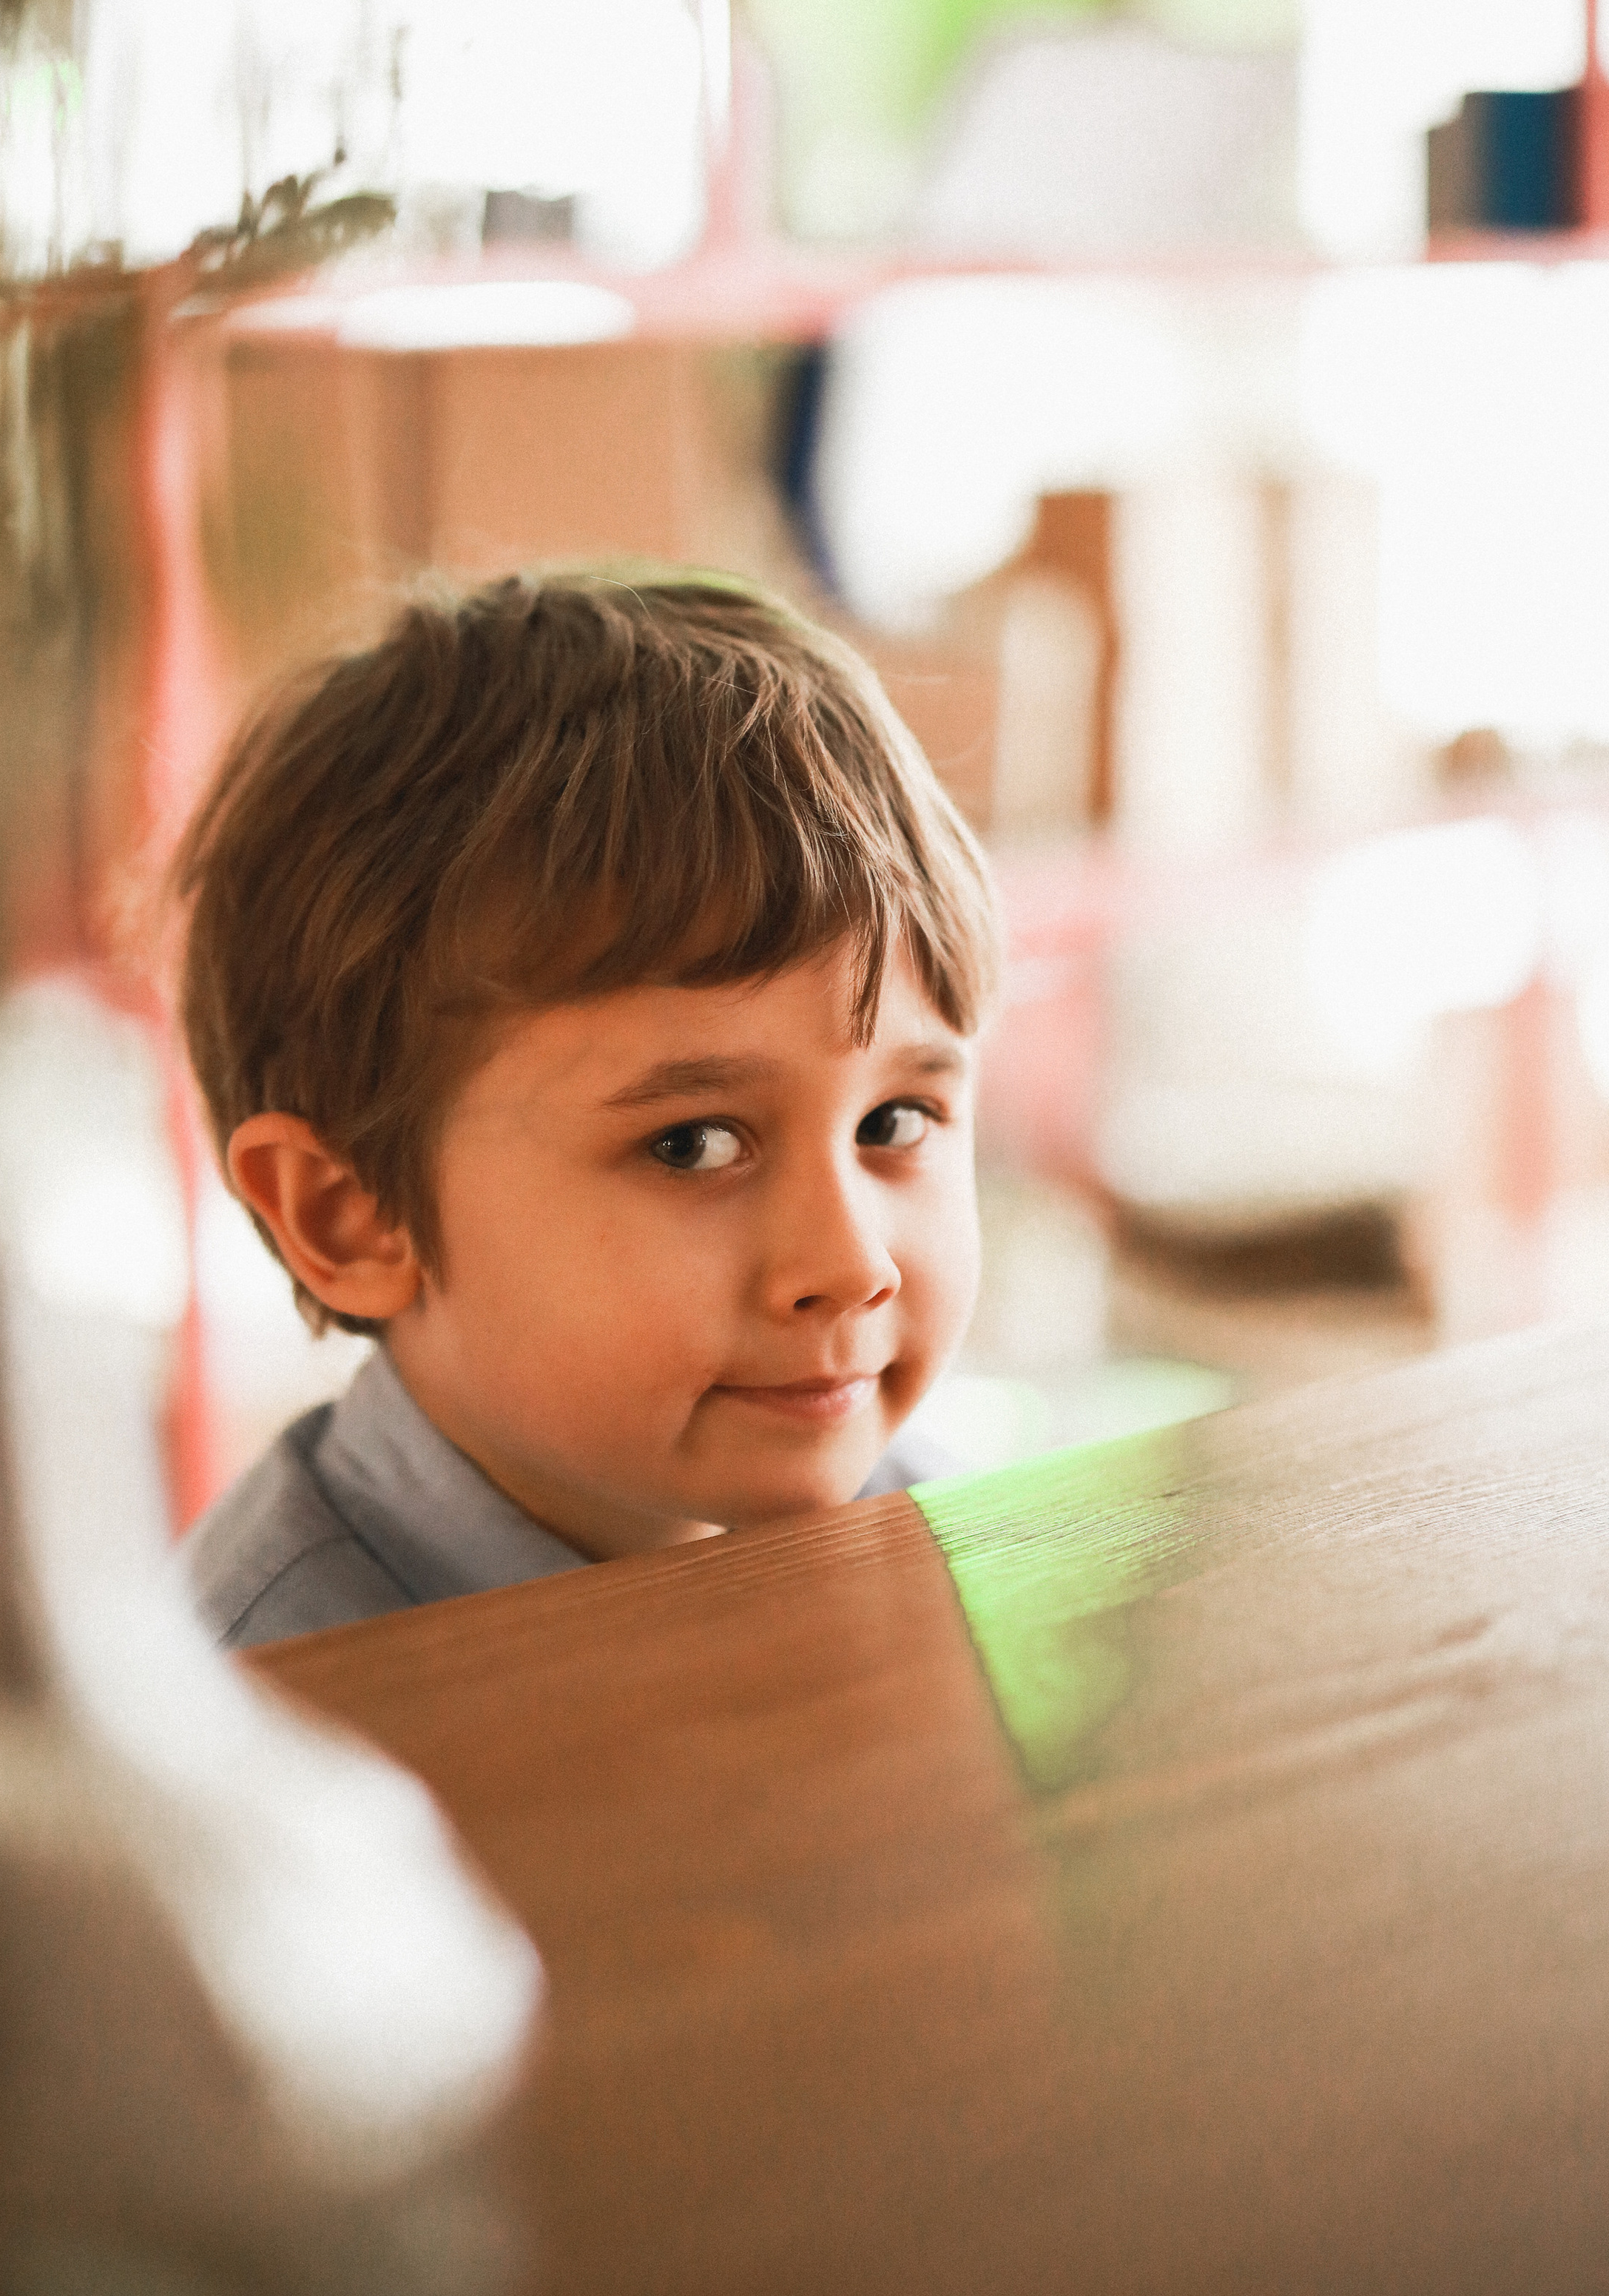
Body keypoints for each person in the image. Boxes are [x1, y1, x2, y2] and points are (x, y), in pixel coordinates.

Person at [175, 570, 1000, 1650]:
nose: (851, 1268)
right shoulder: (271, 1725)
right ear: (353, 1215)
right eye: (693, 1145)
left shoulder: (944, 1539)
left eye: (893, 1123)